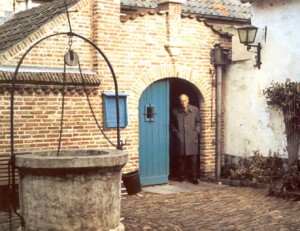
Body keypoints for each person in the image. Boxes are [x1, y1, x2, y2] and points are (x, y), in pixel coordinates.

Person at [171, 94, 201, 185]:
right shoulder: (175, 111)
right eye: (181, 101)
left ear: (188, 101)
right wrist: (176, 132)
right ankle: (181, 175)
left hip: (192, 138)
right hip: (180, 138)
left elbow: (198, 122)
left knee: (193, 159)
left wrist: (196, 132)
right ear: (179, 102)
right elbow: (172, 123)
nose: (183, 102)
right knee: (181, 159)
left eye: (185, 100)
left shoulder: (195, 110)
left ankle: (194, 177)